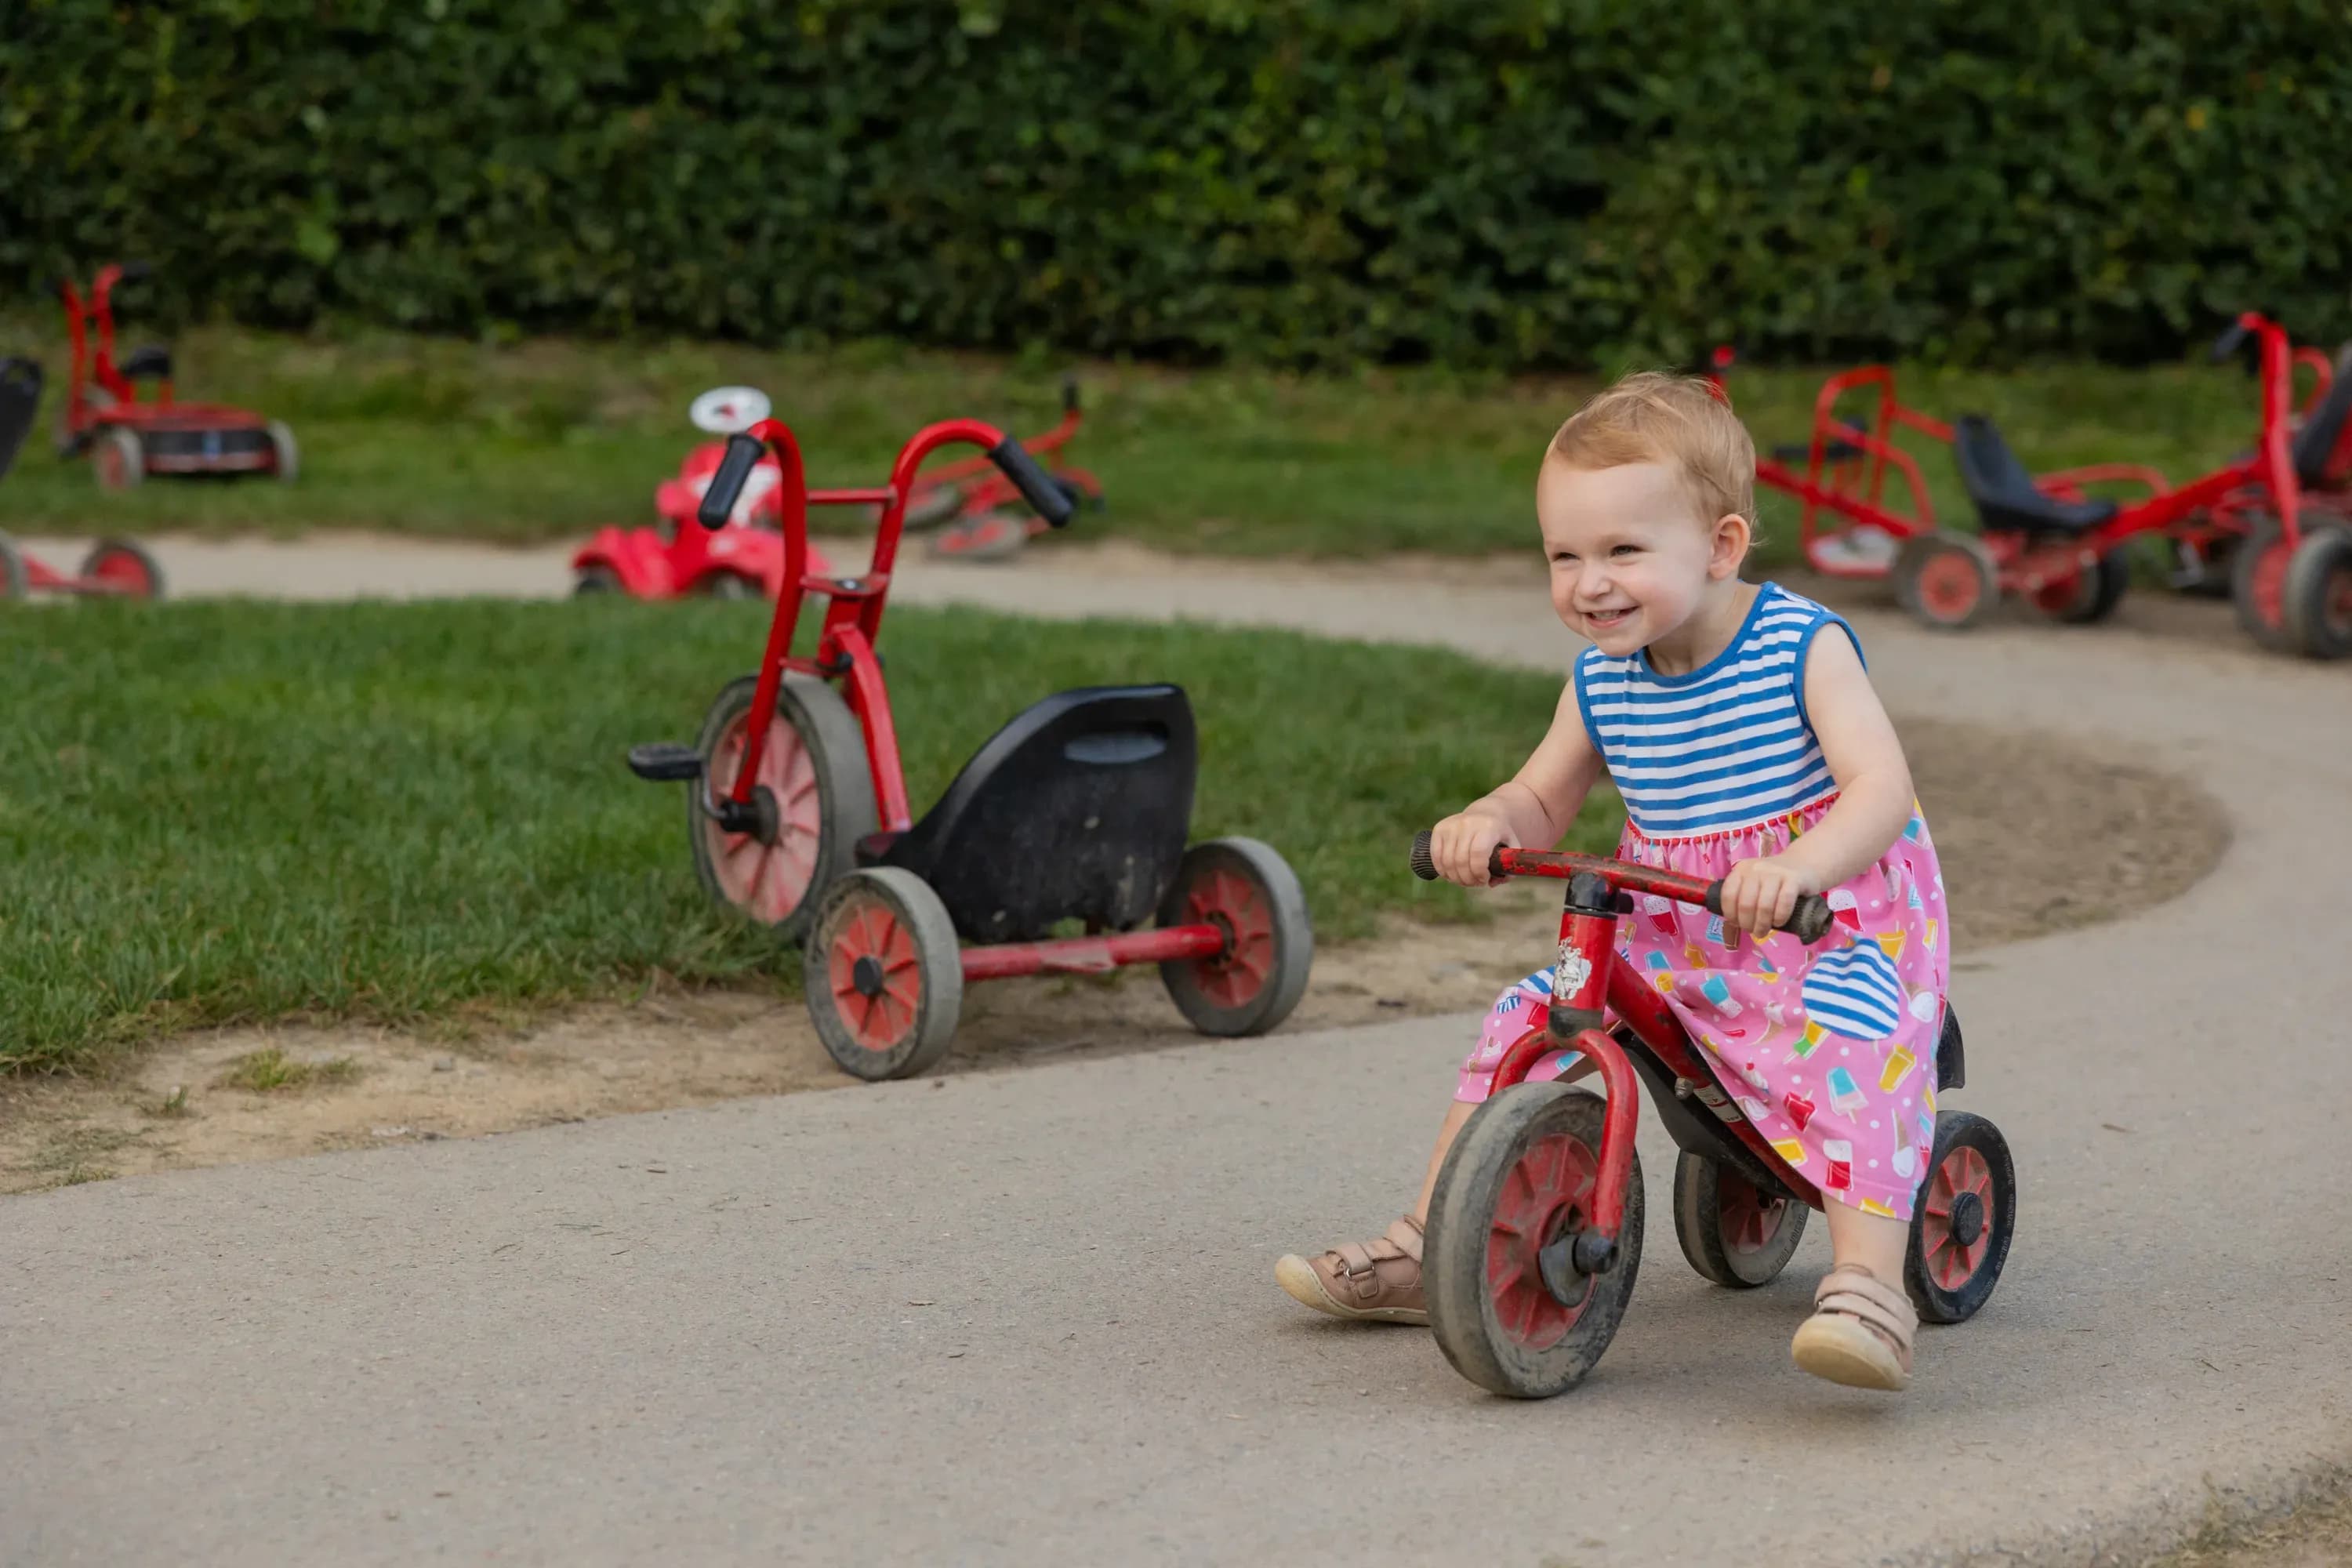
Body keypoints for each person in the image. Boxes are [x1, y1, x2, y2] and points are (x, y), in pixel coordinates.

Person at [1275, 371, 1949, 1392]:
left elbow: (1881, 789)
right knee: (1526, 1019)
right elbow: (1541, 798)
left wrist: (1796, 869)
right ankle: (1433, 1237)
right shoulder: (1602, 679)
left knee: (1853, 1045)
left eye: (1624, 552)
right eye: (1564, 556)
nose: (1590, 582)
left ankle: (1869, 1290)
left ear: (1721, 547)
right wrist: (1487, 824)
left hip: (1824, 922)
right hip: (1675, 927)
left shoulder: (1798, 647)